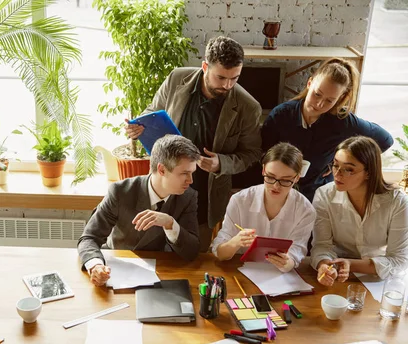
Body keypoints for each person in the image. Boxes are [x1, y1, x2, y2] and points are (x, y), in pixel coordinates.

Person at [126, 36, 262, 252]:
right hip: (162, 186)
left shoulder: (248, 107)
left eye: (234, 78)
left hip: (204, 199)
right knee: (150, 252)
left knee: (191, 257)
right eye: (221, 78)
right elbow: (151, 112)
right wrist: (137, 128)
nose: (227, 85)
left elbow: (252, 153)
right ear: (205, 66)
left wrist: (221, 164)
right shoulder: (176, 78)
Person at [259, 58, 393, 202]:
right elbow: (263, 153)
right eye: (317, 94)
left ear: (340, 98)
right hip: (279, 189)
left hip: (317, 196)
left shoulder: (343, 122)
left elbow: (385, 140)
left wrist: (338, 163)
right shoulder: (281, 115)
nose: (320, 103)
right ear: (309, 83)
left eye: (330, 100)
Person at [78, 135, 201, 287]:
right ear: (161, 169)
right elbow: (89, 238)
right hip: (115, 270)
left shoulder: (187, 197)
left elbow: (192, 252)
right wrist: (95, 265)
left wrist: (170, 224)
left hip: (160, 274)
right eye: (184, 173)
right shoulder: (120, 192)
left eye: (191, 173)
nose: (191, 180)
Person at [311, 136, 408, 286]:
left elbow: (399, 260)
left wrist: (349, 264)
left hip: (378, 277)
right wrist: (324, 265)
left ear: (369, 172)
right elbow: (322, 245)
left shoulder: (397, 201)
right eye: (335, 165)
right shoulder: (324, 195)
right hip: (336, 275)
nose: (337, 174)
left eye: (349, 169)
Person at [212, 143, 315, 272]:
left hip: (279, 277)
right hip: (241, 271)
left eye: (285, 180)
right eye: (270, 177)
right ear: (263, 170)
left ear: (297, 178)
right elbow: (220, 253)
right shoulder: (240, 200)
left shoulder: (305, 210)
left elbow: (297, 252)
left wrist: (287, 262)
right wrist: (235, 242)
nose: (276, 186)